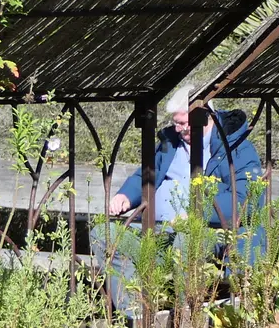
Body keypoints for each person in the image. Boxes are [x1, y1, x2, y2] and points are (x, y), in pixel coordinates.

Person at [94, 88, 265, 310]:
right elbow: (145, 174)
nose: (180, 129)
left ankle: (186, 320)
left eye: (185, 122)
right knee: (104, 234)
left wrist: (195, 214)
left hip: (212, 235)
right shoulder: (170, 143)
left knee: (186, 242)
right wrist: (126, 196)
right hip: (160, 233)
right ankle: (135, 315)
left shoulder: (236, 147)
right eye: (177, 123)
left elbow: (246, 200)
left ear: (206, 115)